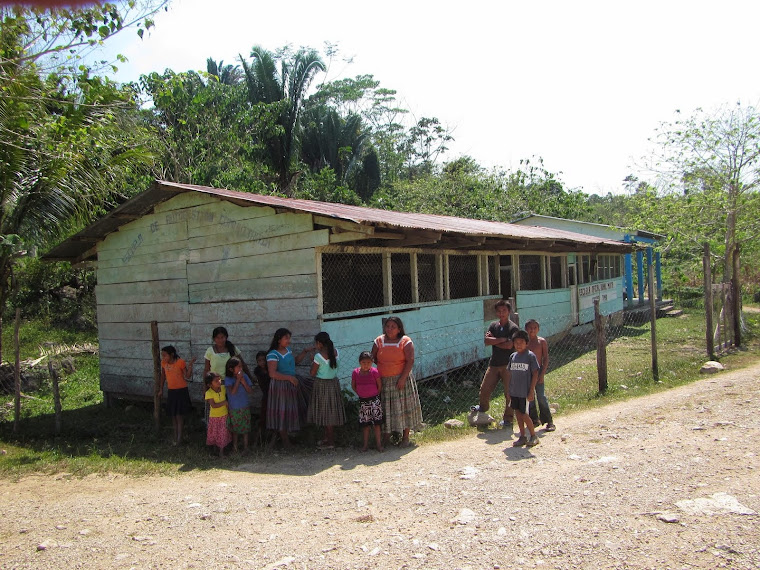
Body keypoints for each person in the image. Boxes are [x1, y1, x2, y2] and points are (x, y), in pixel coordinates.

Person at [371, 316, 423, 448]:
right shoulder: (379, 341)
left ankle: (405, 438)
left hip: (401, 381)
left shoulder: (405, 341)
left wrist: (402, 378)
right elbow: (373, 358)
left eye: (393, 327)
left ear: (399, 329)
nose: (389, 329)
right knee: (386, 410)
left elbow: (410, 360)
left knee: (405, 408)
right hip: (384, 382)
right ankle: (386, 438)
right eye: (387, 326)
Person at [471, 300, 518, 428]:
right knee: (484, 389)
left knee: (509, 393)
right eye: (499, 311)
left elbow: (510, 345)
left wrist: (495, 341)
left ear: (508, 312)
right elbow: (486, 341)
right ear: (496, 312)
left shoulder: (513, 328)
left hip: (508, 365)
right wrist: (502, 339)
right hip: (494, 363)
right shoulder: (493, 326)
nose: (501, 313)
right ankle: (483, 408)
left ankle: (508, 419)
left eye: (504, 311)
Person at [266, 328, 314, 448]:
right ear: (279, 339)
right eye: (286, 338)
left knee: (290, 410)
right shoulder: (272, 354)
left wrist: (304, 352)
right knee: (282, 411)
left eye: (289, 338)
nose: (289, 340)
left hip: (290, 383)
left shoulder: (288, 350)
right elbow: (272, 374)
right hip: (280, 386)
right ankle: (285, 441)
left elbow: (295, 361)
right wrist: (289, 378)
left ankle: (288, 438)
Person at [306, 331, 345, 449]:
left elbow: (312, 373)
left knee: (325, 413)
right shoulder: (337, 352)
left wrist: (312, 360)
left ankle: (330, 442)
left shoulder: (318, 357)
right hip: (333, 384)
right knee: (331, 411)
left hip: (322, 385)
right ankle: (327, 438)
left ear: (319, 343)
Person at [506, 330, 541, 447]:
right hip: (514, 391)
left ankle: (533, 435)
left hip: (524, 392)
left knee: (524, 414)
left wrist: (531, 391)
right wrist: (508, 391)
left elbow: (535, 373)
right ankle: (522, 436)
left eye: (521, 342)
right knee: (517, 413)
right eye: (516, 342)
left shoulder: (530, 356)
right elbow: (510, 374)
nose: (519, 345)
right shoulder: (513, 357)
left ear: (527, 343)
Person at [159, 345, 196, 446]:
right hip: (171, 391)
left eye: (165, 355)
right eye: (162, 356)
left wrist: (191, 365)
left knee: (179, 415)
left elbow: (187, 376)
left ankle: (179, 439)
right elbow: (163, 377)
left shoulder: (180, 362)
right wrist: (161, 389)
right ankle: (175, 437)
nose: (163, 358)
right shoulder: (163, 363)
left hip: (181, 391)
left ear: (171, 355)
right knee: (173, 415)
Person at [525, 319, 556, 432]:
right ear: (526, 329)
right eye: (530, 328)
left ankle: (548, 421)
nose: (532, 330)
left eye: (535, 328)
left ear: (538, 329)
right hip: (527, 375)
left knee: (541, 397)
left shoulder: (541, 341)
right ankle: (534, 420)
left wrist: (542, 374)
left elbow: (545, 358)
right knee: (530, 397)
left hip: (538, 374)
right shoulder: (524, 342)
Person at [351, 351, 384, 452]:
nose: (366, 365)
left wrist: (373, 394)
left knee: (377, 424)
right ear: (360, 362)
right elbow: (353, 386)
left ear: (372, 363)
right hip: (363, 402)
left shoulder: (374, 372)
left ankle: (379, 444)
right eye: (364, 363)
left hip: (374, 401)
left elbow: (379, 386)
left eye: (369, 363)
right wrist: (361, 393)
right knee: (365, 425)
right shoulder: (356, 373)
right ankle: (365, 445)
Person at [224, 357, 253, 453]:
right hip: (234, 408)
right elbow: (232, 392)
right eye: (239, 367)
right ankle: (235, 447)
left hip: (244, 406)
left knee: (245, 429)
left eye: (241, 366)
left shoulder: (245, 377)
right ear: (231, 369)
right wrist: (238, 380)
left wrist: (243, 381)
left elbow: (250, 391)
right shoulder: (228, 379)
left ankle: (246, 447)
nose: (241, 369)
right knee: (235, 429)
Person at [204, 372, 232, 457]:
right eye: (216, 381)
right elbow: (214, 405)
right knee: (215, 433)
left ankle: (221, 452)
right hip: (214, 417)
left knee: (223, 433)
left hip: (224, 415)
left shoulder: (223, 388)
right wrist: (225, 403)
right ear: (209, 384)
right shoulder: (209, 393)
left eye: (219, 379)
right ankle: (215, 450)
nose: (219, 381)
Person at [252, 351, 271, 434]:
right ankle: (259, 438)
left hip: (273, 395)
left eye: (264, 360)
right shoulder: (257, 371)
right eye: (259, 360)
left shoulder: (271, 369)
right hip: (266, 395)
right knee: (263, 417)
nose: (262, 362)